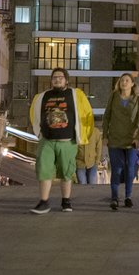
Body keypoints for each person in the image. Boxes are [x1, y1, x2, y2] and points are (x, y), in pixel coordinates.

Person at [29, 68, 94, 214]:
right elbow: (34, 114)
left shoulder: (76, 95)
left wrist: (84, 135)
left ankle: (66, 201)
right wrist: (39, 133)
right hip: (47, 141)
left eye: (60, 77)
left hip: (67, 141)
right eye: (54, 77)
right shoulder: (42, 96)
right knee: (43, 170)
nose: (57, 79)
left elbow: (87, 113)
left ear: (66, 80)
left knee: (66, 172)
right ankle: (44, 202)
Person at [103, 73, 139, 210]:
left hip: (131, 140)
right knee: (116, 169)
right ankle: (114, 198)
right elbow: (106, 116)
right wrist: (105, 135)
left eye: (127, 80)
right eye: (122, 80)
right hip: (115, 139)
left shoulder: (138, 99)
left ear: (132, 84)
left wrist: (138, 137)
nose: (124, 82)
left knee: (130, 168)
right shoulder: (113, 96)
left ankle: (128, 197)